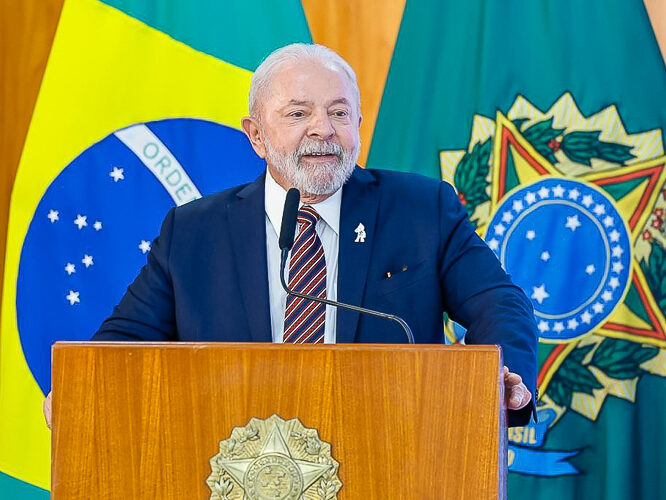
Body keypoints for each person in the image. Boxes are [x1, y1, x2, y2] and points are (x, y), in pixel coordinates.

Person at [44, 43, 537, 428]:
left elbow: (498, 300)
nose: (323, 129)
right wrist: (79, 389)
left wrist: (503, 375)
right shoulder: (193, 232)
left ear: (359, 125)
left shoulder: (421, 208)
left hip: (393, 451)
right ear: (256, 135)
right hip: (234, 463)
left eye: (340, 113)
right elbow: (125, 343)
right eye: (298, 114)